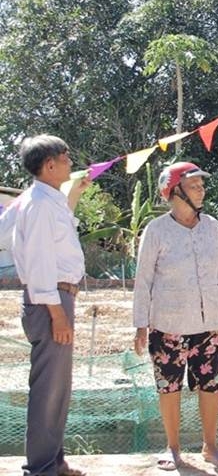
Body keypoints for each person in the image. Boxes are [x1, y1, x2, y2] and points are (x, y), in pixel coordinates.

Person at [132, 162, 218, 471]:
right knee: (170, 388)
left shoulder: (212, 226)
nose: (201, 190)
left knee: (211, 385)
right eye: (194, 186)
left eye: (201, 186)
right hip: (168, 326)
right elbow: (144, 281)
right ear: (175, 190)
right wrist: (140, 325)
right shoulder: (156, 230)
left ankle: (211, 446)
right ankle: (174, 448)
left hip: (208, 326)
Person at [11, 135, 91, 476]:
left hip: (56, 298)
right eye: (66, 157)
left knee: (57, 387)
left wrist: (72, 197)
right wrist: (57, 313)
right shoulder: (40, 204)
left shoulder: (47, 200)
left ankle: (52, 463)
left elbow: (57, 243)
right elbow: (41, 261)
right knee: (48, 388)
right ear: (49, 165)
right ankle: (42, 468)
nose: (71, 163)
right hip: (50, 301)